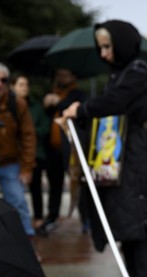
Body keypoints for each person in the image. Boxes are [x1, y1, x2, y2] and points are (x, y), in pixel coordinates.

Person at [60, 20, 147, 277]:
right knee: (126, 224)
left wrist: (81, 109)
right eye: (100, 47)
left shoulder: (138, 71)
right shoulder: (122, 73)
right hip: (120, 153)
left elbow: (114, 102)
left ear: (122, 43)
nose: (103, 54)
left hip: (133, 154)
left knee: (141, 224)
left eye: (108, 47)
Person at [36, 69, 86, 235]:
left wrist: (58, 102)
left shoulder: (77, 94)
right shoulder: (52, 93)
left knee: (77, 183)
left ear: (73, 76)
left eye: (66, 74)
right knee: (54, 185)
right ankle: (52, 216)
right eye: (59, 75)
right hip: (53, 149)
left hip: (71, 148)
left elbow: (74, 111)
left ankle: (86, 219)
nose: (61, 78)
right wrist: (47, 105)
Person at [0, 62, 36, 239]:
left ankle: (28, 244)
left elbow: (28, 136)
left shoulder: (16, 103)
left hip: (9, 163)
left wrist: (26, 167)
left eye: (3, 80)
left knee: (18, 202)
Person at [10, 74, 49, 228]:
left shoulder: (35, 107)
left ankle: (36, 221)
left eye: (26, 84)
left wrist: (30, 132)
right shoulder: (8, 106)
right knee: (15, 192)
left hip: (34, 153)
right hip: (14, 155)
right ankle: (17, 223)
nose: (24, 87)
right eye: (21, 84)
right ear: (13, 86)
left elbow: (42, 128)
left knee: (35, 188)